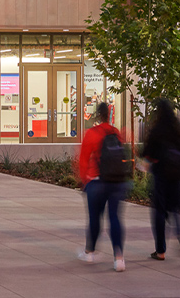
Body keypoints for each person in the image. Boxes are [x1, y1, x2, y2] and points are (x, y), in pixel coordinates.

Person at [141, 98, 180, 266]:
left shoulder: (157, 130)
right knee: (176, 211)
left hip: (160, 177)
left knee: (159, 213)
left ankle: (161, 251)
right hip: (177, 177)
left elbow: (146, 152)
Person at [78, 102, 129, 272]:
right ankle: (119, 258)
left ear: (97, 115)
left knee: (95, 218)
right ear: (109, 115)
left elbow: (84, 159)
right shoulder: (115, 132)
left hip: (96, 181)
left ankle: (90, 253)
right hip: (116, 181)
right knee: (114, 218)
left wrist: (84, 180)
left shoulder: (92, 133)